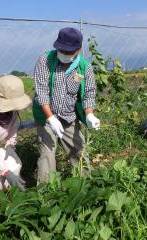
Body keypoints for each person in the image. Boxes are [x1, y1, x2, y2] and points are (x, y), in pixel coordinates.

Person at [33, 27, 100, 183]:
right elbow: (41, 92)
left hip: (69, 116)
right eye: (62, 50)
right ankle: (46, 191)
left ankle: (85, 184)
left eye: (69, 52)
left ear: (78, 49)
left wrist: (89, 114)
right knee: (47, 154)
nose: (64, 54)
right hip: (46, 116)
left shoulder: (84, 67)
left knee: (79, 150)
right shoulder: (45, 60)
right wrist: (50, 118)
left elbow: (89, 93)